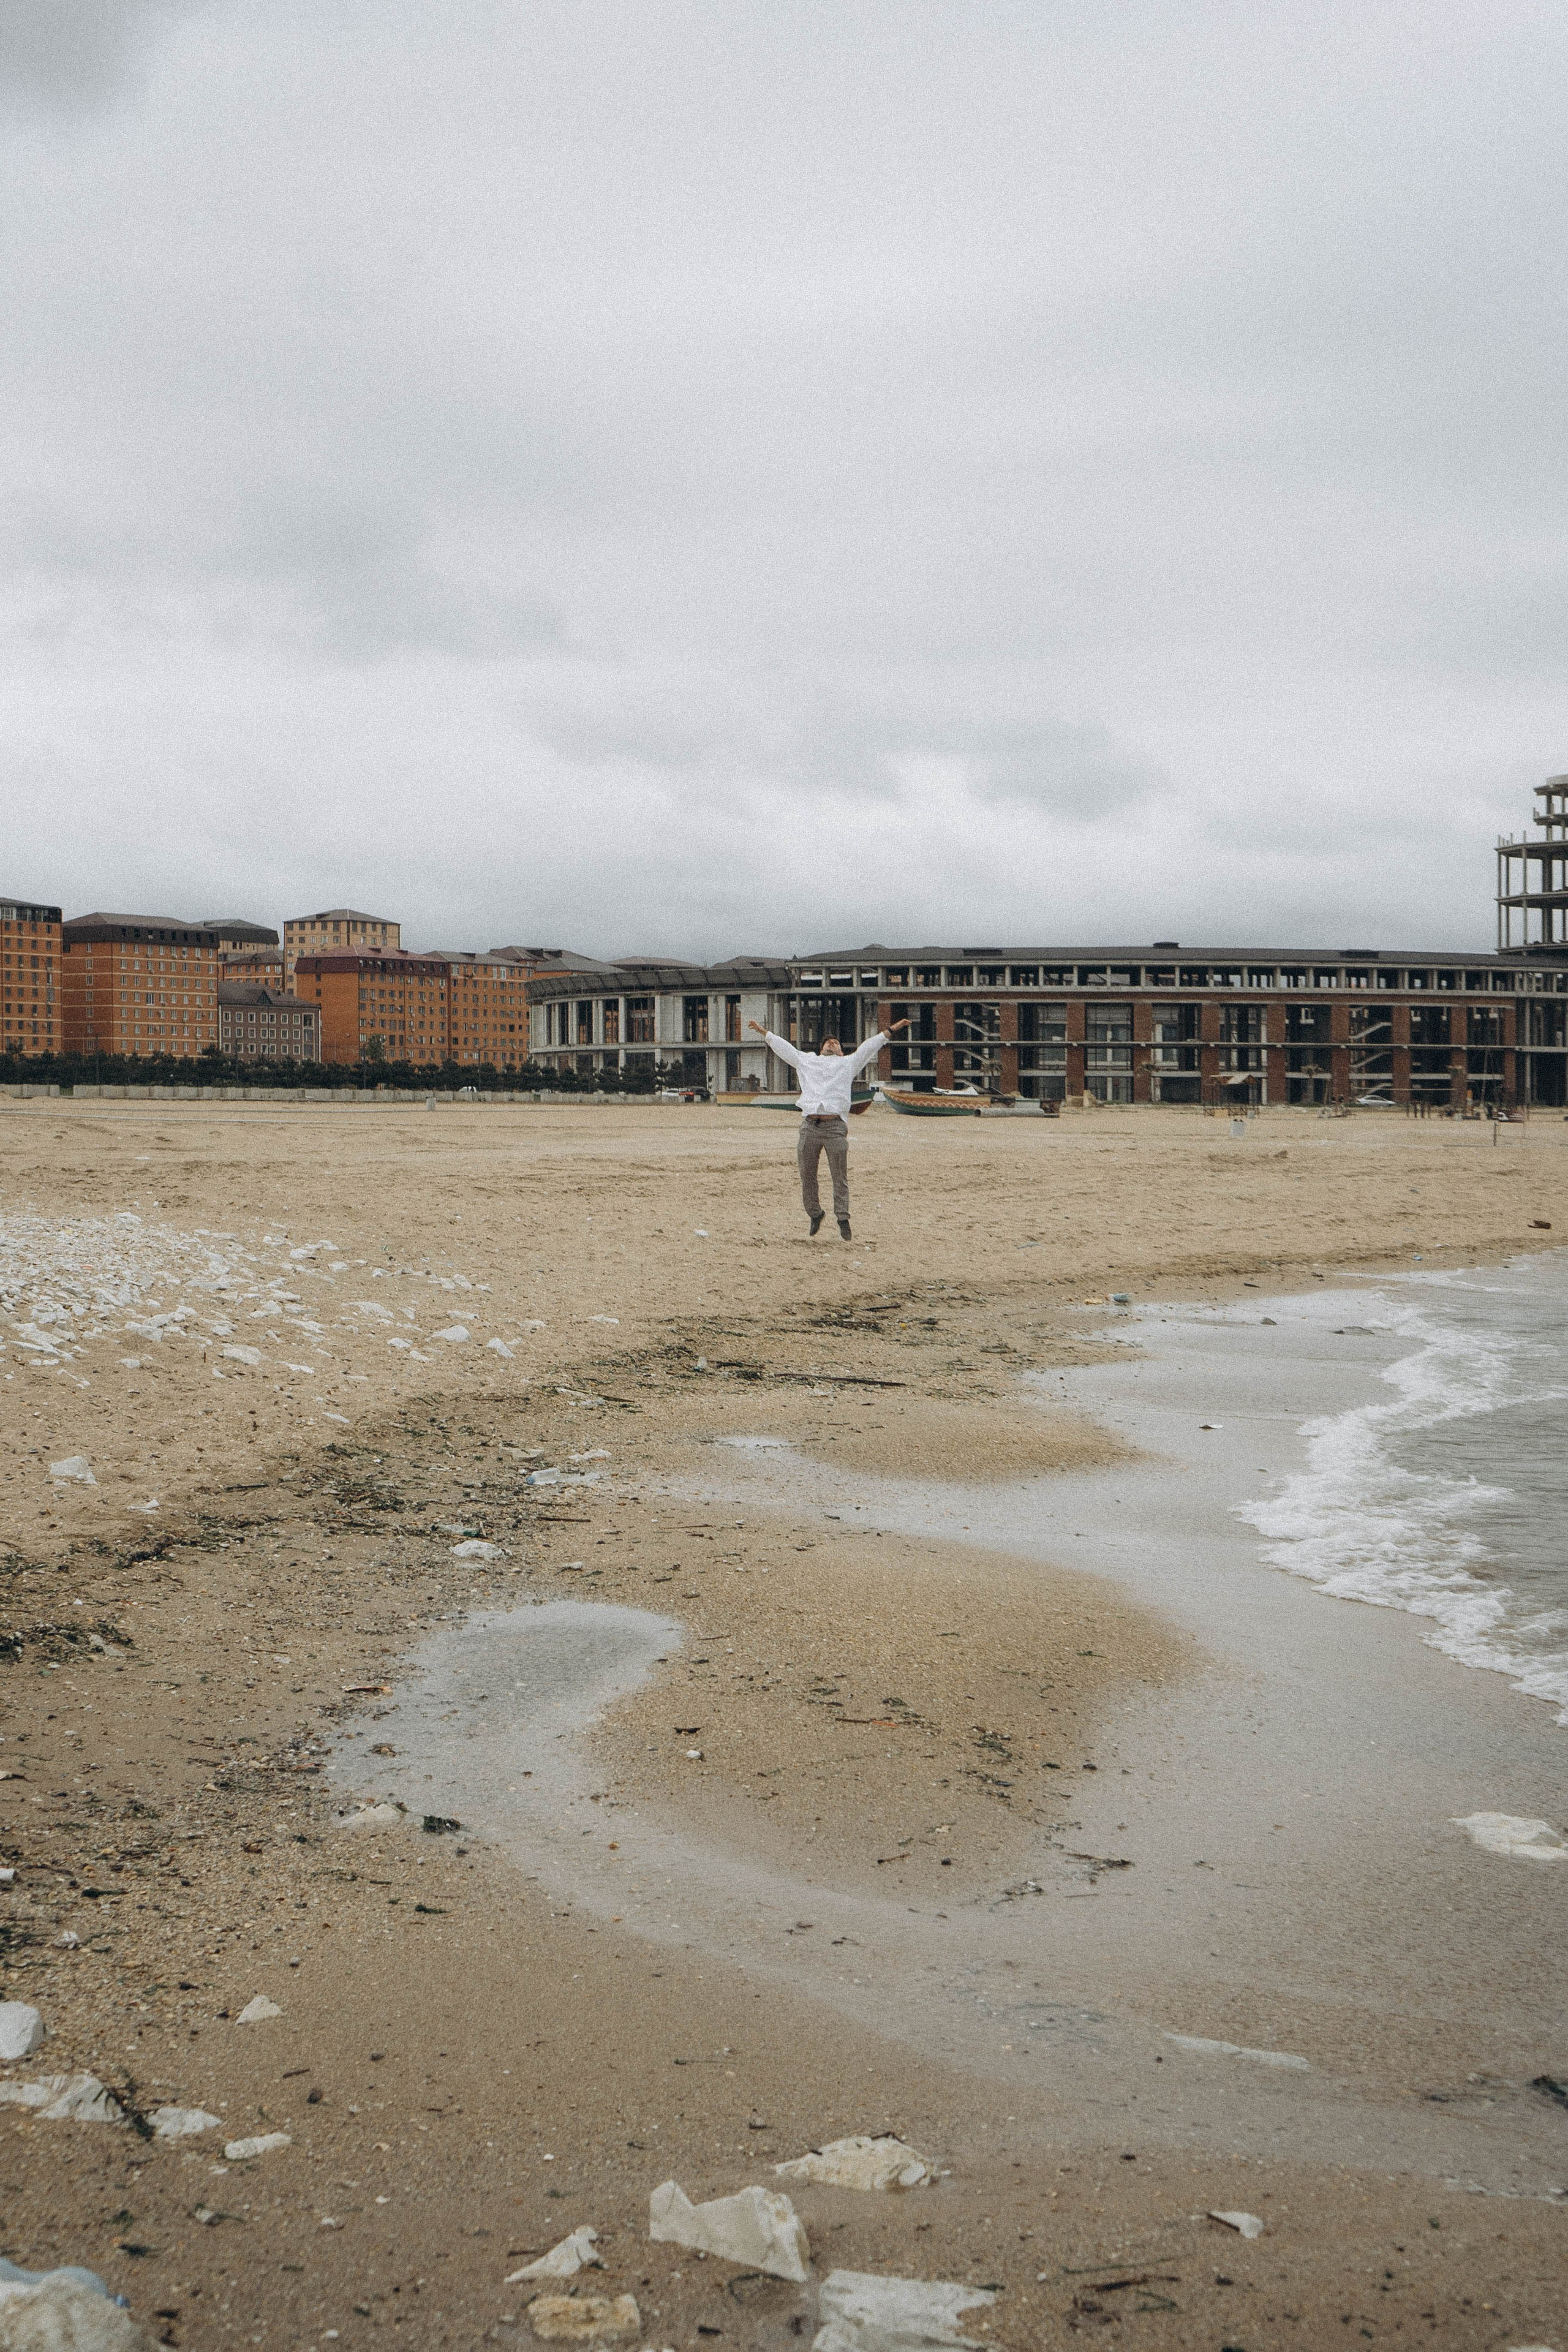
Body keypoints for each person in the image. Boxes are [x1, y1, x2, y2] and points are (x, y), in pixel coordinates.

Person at [748, 1016, 910, 1238]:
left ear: (842, 1052)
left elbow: (871, 1045)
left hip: (835, 1127)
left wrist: (893, 1029)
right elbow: (784, 1048)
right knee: (807, 1174)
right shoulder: (807, 1060)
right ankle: (815, 1213)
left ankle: (843, 1218)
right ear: (821, 1048)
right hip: (809, 1125)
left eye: (836, 1043)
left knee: (839, 1176)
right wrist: (764, 1032)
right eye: (828, 1042)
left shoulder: (848, 1063)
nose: (832, 1044)